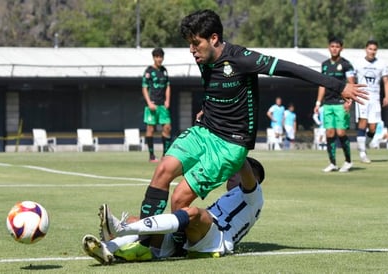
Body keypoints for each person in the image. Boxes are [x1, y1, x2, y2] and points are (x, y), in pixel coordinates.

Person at [137, 9, 367, 249]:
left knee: (179, 198)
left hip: (230, 143)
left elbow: (291, 69)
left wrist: (339, 87)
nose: (192, 50)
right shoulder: (204, 58)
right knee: (163, 170)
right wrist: (207, 107)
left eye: (196, 44)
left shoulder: (242, 59)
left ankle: (173, 249)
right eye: (189, 45)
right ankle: (141, 241)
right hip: (204, 130)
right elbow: (216, 88)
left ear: (214, 39)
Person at [82, 157, 265, 264]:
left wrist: (237, 147)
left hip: (218, 241)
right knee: (140, 220)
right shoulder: (232, 196)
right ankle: (107, 248)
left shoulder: (254, 194)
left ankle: (119, 230)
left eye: (235, 173)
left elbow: (246, 172)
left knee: (195, 213)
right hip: (197, 236)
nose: (230, 176)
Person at [313, 37, 355, 173]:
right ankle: (333, 163)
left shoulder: (347, 65)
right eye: (332, 46)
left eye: (337, 46)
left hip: (341, 103)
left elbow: (351, 83)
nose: (334, 49)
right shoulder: (325, 65)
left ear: (341, 48)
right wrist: (318, 103)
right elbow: (322, 85)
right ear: (328, 47)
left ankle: (348, 161)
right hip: (328, 103)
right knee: (330, 133)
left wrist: (350, 100)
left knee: (341, 132)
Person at [353, 40, 388, 163]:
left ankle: (365, 145)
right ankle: (362, 152)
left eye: (374, 49)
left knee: (373, 127)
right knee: (363, 122)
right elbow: (351, 79)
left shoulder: (381, 64)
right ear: (366, 49)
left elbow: (386, 81)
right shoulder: (358, 63)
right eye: (370, 49)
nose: (372, 51)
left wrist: (386, 96)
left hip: (375, 99)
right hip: (362, 97)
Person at [142, 47, 172, 162]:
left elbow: (168, 86)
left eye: (161, 57)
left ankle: (165, 155)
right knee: (150, 129)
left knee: (167, 127)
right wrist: (149, 102)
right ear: (154, 58)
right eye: (157, 57)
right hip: (152, 105)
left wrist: (167, 100)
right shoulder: (149, 71)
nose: (159, 59)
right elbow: (144, 88)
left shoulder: (164, 70)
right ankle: (151, 156)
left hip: (163, 106)